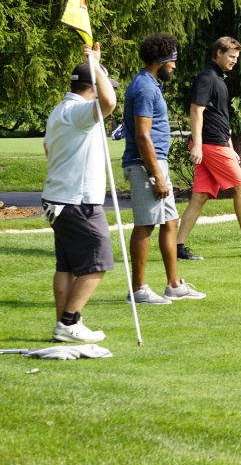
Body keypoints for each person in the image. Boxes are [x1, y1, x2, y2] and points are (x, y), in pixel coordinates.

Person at [176, 36, 241, 257]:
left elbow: (219, 117)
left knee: (200, 196)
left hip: (216, 142)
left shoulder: (219, 79)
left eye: (237, 57)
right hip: (210, 144)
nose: (235, 61)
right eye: (231, 56)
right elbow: (196, 110)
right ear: (219, 53)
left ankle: (177, 247)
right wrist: (198, 145)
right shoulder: (207, 77)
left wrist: (230, 145)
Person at [41, 42, 118, 342]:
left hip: (59, 198)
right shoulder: (78, 112)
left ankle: (63, 325)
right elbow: (109, 102)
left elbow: (47, 150)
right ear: (92, 86)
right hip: (78, 201)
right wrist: (95, 63)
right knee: (99, 260)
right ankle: (69, 322)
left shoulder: (59, 111)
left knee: (67, 265)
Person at [122, 33, 206, 304]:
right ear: (161, 60)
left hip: (157, 163)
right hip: (145, 165)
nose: (175, 66)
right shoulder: (145, 88)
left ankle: (174, 285)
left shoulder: (150, 84)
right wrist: (157, 175)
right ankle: (138, 290)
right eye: (173, 60)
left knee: (170, 222)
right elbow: (142, 135)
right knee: (146, 224)